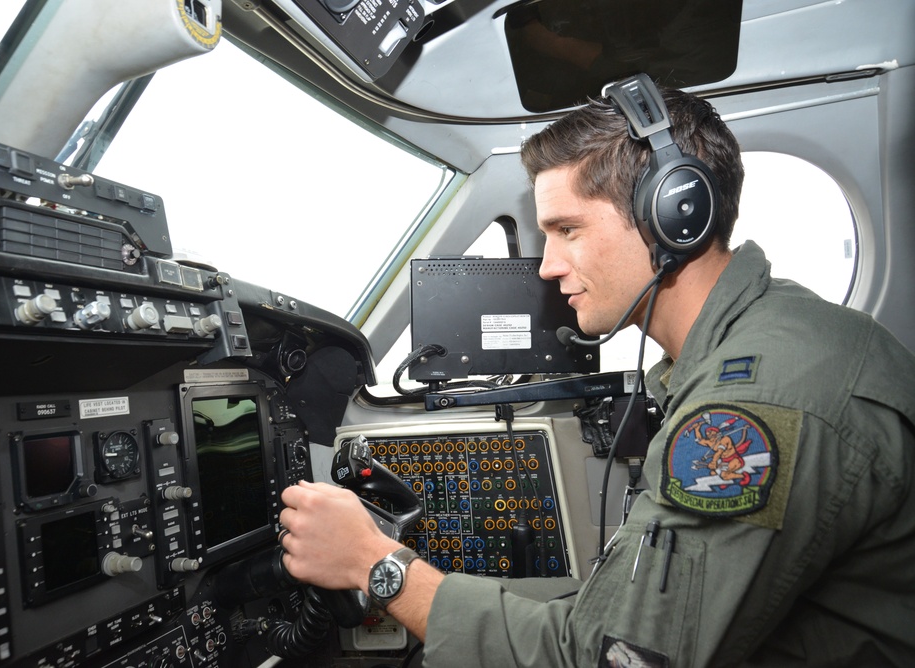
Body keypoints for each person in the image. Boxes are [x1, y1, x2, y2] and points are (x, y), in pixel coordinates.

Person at [278, 75, 915, 666]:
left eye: (567, 229)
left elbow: (618, 659)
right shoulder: (767, 338)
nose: (549, 266)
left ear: (673, 218)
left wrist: (374, 564)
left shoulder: (759, 402)